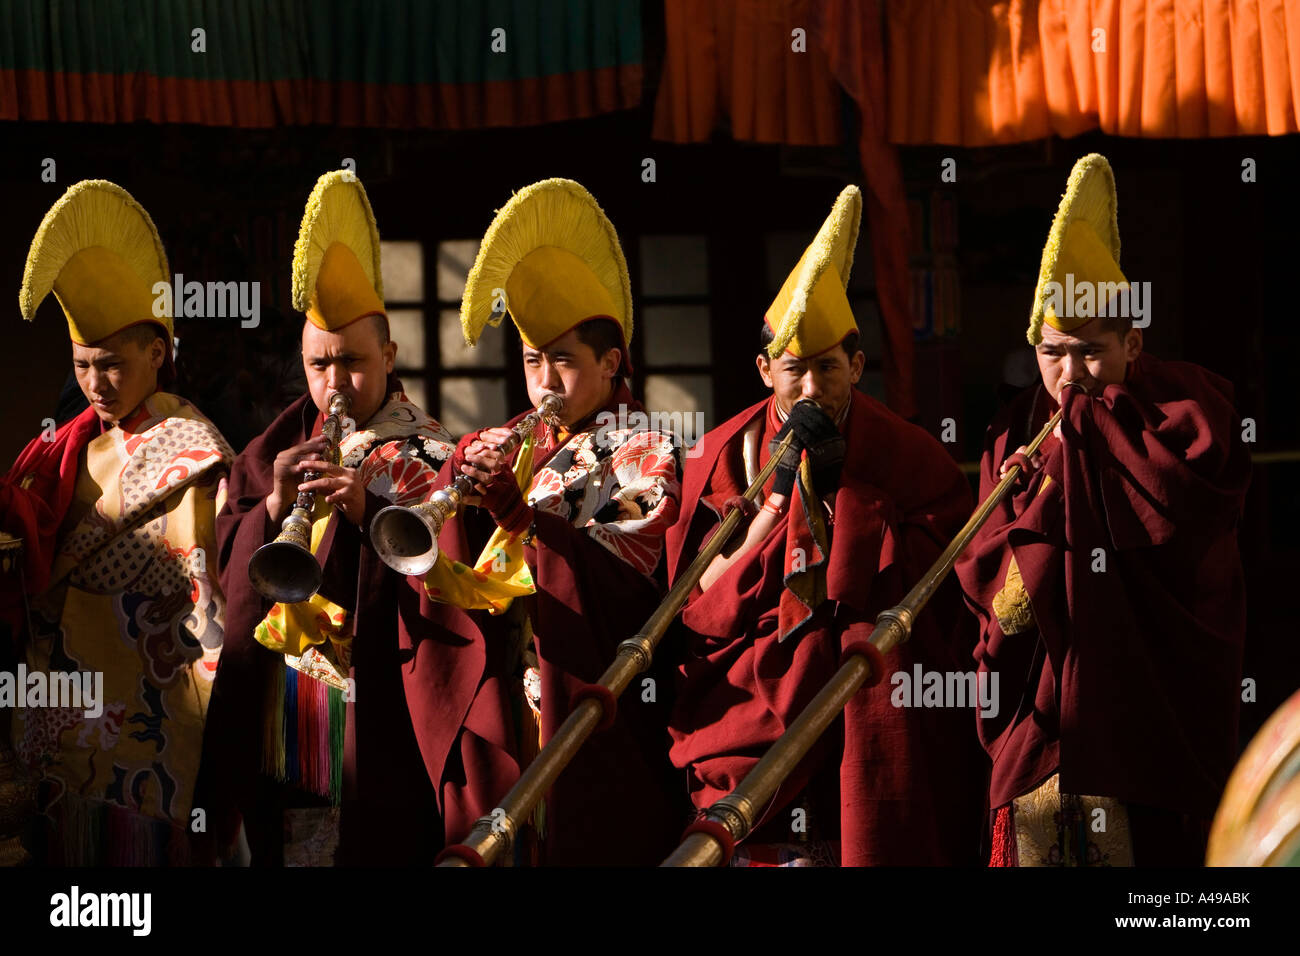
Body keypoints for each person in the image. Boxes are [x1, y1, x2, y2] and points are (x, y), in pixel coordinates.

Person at [664, 186, 987, 866]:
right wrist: (780, 507)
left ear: (858, 367)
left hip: (864, 700)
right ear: (763, 371)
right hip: (745, 703)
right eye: (794, 371)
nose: (811, 390)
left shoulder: (907, 455)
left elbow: (945, 586)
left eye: (829, 369)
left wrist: (852, 502)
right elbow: (696, 604)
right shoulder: (722, 454)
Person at [954, 153, 1251, 866]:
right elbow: (984, 571)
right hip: (1044, 718)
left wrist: (1090, 444)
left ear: (1133, 343)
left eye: (1092, 352)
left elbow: (1191, 533)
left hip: (1147, 712)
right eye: (1053, 353)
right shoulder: (1015, 433)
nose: (1072, 373)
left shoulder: (1185, 416)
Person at [417, 178, 686, 865]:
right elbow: (459, 564)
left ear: (611, 362)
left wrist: (519, 515)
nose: (545, 383)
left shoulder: (645, 448)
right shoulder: (516, 435)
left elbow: (625, 576)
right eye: (533, 361)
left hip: (584, 699)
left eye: (564, 361)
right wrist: (463, 486)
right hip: (508, 692)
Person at [198, 171, 456, 865]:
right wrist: (277, 505)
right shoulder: (279, 444)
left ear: (389, 358)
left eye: (351, 362)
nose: (334, 384)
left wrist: (370, 513)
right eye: (318, 365)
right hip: (286, 707)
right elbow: (228, 550)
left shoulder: (429, 451)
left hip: (378, 708)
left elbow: (451, 587)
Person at [0, 180, 232, 864]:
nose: (98, 383)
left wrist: (205, 585)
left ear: (157, 354)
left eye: (113, 365)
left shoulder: (183, 438)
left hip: (145, 686)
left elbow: (200, 551)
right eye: (82, 366)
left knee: (133, 845)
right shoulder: (59, 445)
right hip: (57, 681)